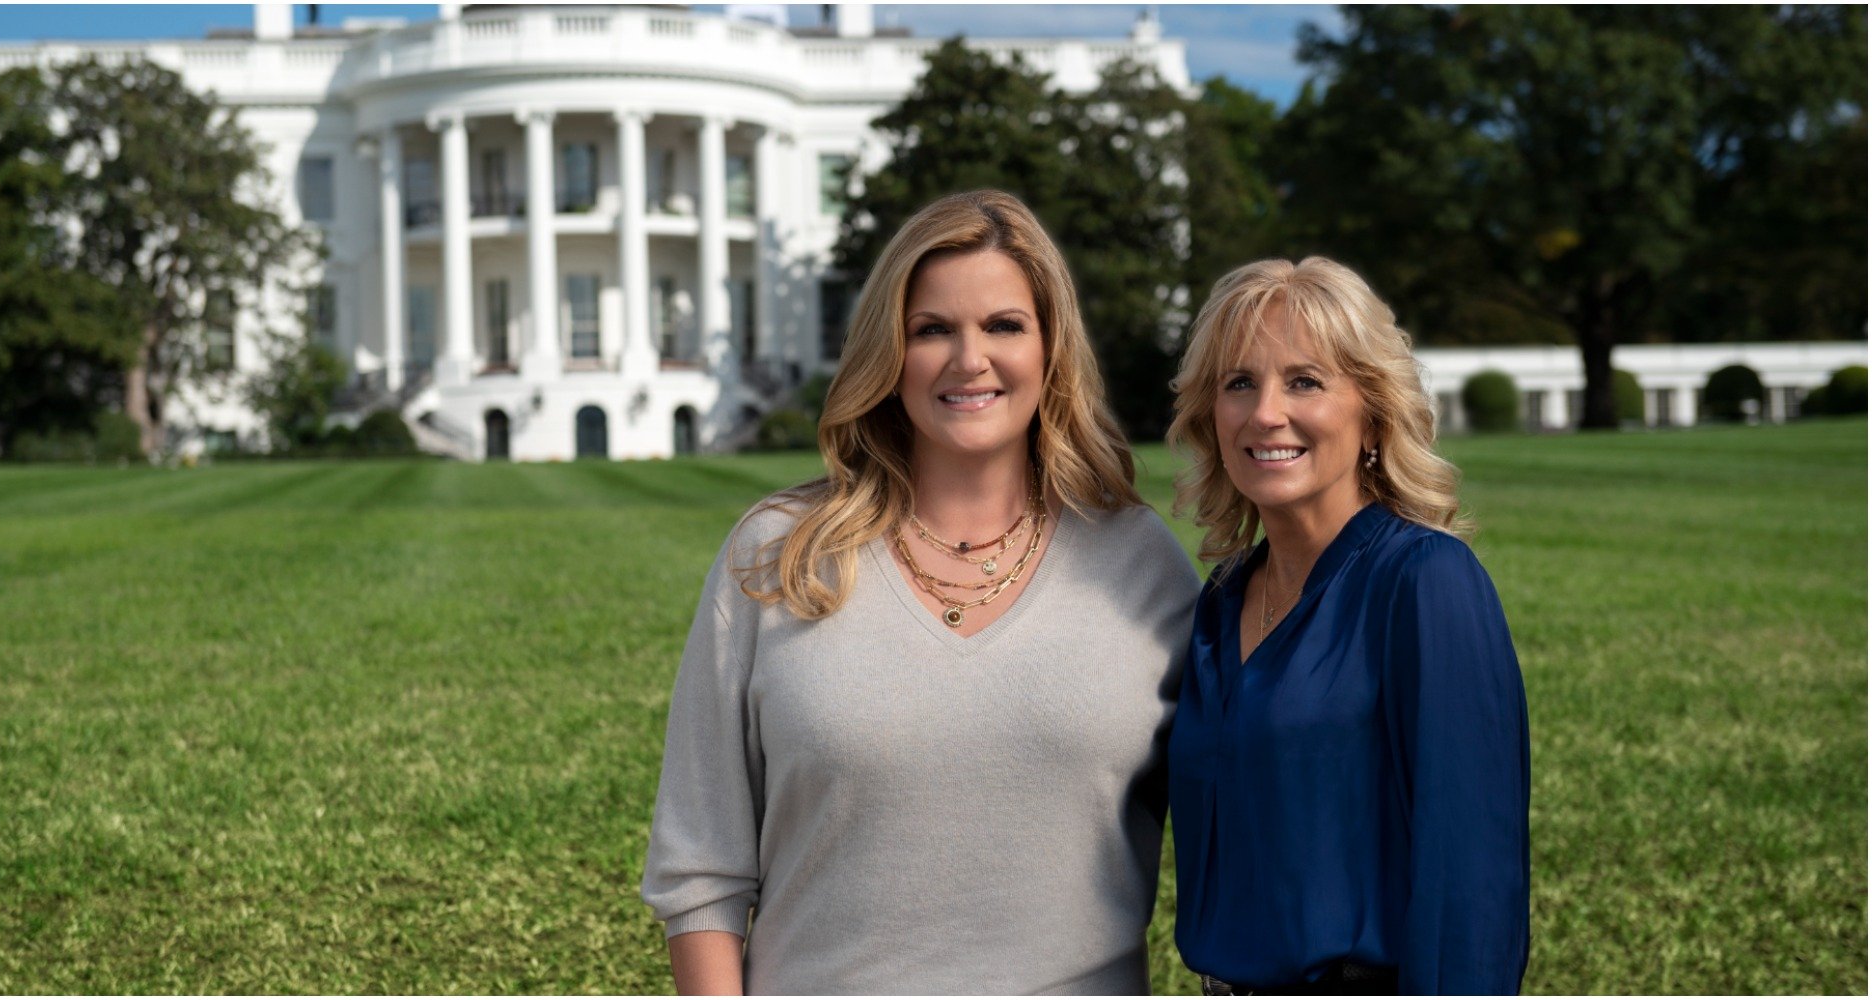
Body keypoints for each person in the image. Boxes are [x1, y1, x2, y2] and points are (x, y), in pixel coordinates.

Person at [640, 190, 1199, 995]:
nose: (969, 359)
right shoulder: (776, 556)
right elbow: (699, 869)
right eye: (932, 329)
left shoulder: (1141, 566)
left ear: (1051, 348)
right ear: (888, 353)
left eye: (1004, 326)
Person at [1164, 257, 1530, 995]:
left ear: (1371, 412)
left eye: (1305, 381)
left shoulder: (1426, 583)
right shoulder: (1224, 599)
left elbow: (1471, 886)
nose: (1266, 412)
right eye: (1239, 383)